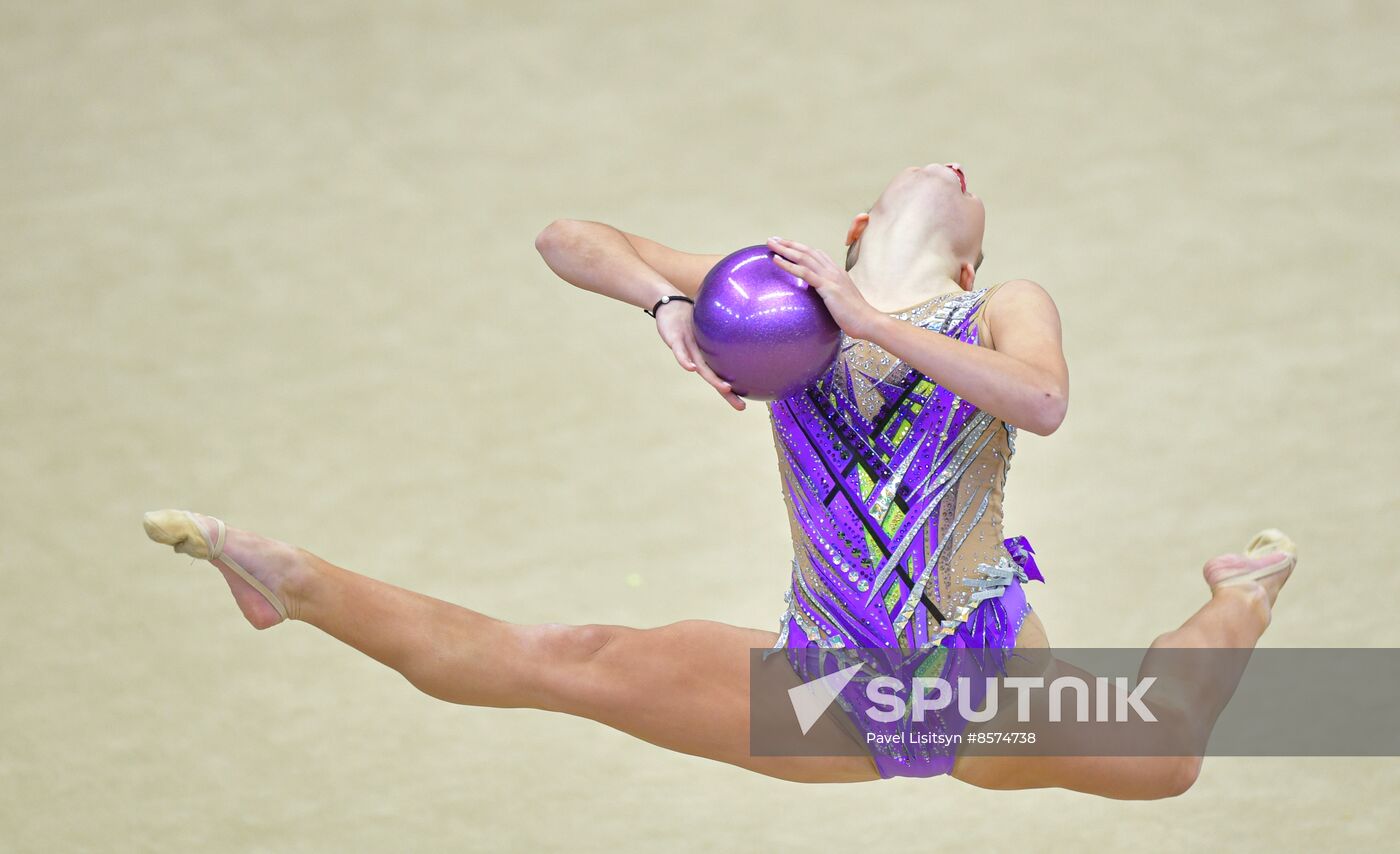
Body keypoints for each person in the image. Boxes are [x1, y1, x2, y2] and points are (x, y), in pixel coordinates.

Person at [143, 162, 1297, 798]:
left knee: (1164, 756)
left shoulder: (994, 305)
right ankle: (293, 578)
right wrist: (662, 301)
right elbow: (566, 234)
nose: (954, 166)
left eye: (971, 190)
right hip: (822, 685)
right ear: (855, 223)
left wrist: (867, 322)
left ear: (969, 253)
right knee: (563, 661)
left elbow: (1038, 401)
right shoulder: (771, 291)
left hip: (982, 671)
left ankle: (1238, 589)